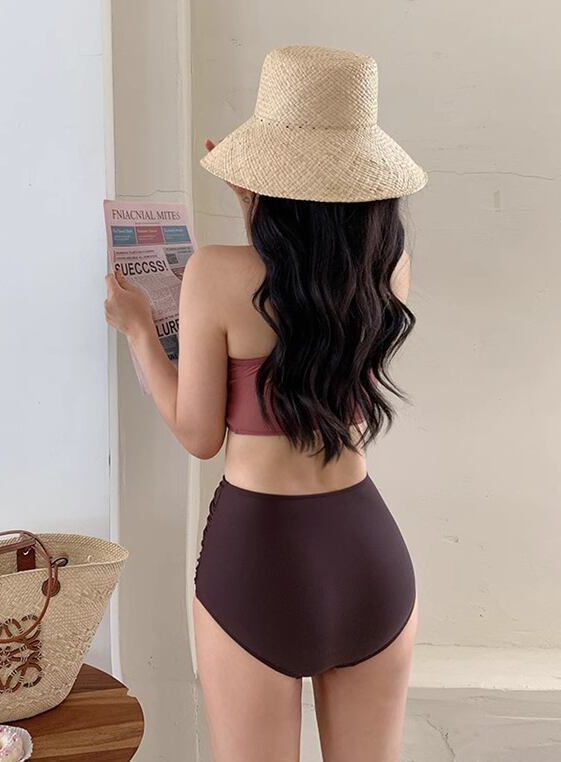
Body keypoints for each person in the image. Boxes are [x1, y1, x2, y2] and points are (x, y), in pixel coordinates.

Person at [105, 45, 428, 762]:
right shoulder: (388, 272)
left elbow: (198, 435)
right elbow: (307, 269)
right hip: (369, 558)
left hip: (258, 561)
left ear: (262, 174)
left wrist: (139, 333)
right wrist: (260, 195)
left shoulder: (215, 275)